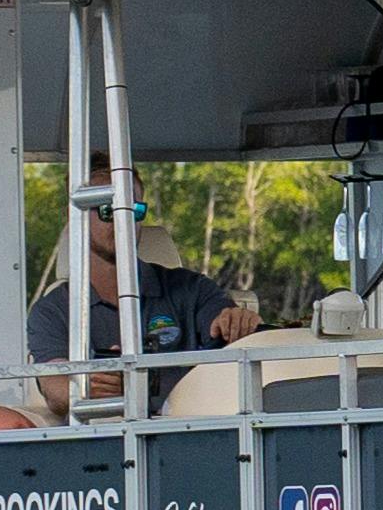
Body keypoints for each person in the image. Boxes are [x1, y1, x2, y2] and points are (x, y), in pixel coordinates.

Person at [24, 174, 253, 408]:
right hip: (106, 439)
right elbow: (55, 387)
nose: (123, 219)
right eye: (108, 209)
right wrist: (87, 385)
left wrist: (238, 322)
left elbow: (228, 333)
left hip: (193, 432)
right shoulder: (52, 310)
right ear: (73, 215)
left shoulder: (192, 289)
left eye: (133, 209)